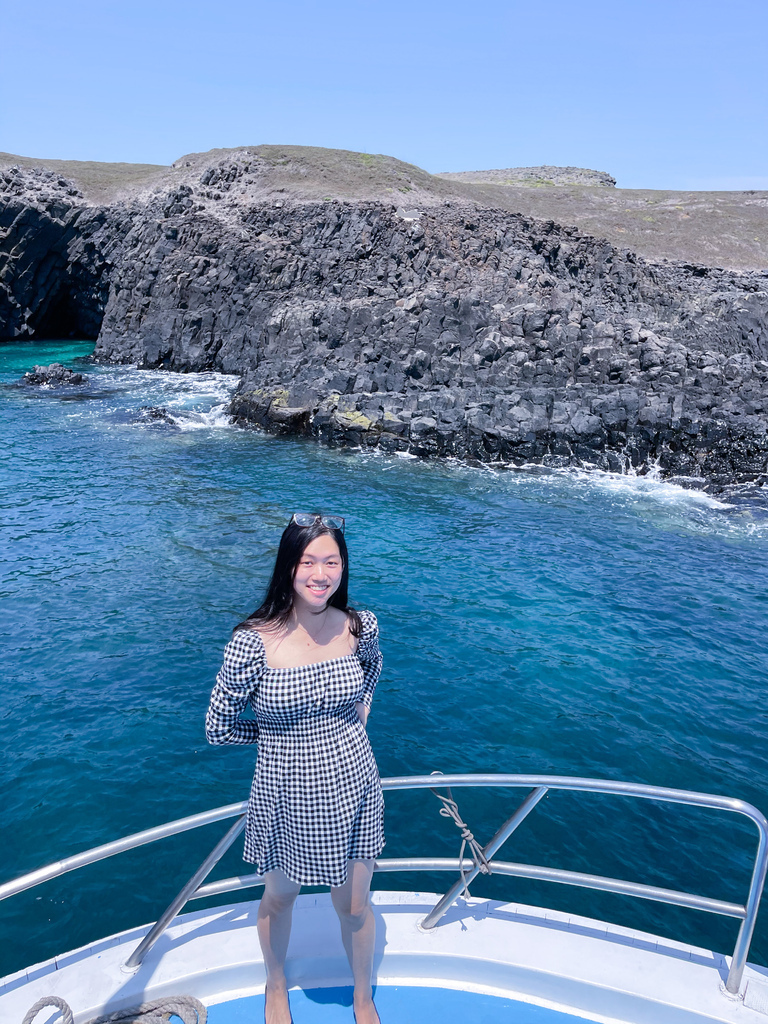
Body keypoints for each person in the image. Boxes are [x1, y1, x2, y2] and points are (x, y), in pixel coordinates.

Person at [206, 512, 384, 1024]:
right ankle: (276, 985)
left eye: (332, 561)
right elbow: (218, 726)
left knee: (354, 905)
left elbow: (373, 667)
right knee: (280, 898)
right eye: (308, 561)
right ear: (289, 566)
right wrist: (277, 738)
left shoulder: (358, 624)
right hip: (287, 792)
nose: (321, 573)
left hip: (354, 784)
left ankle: (362, 996)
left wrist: (363, 706)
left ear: (343, 567)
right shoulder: (253, 641)